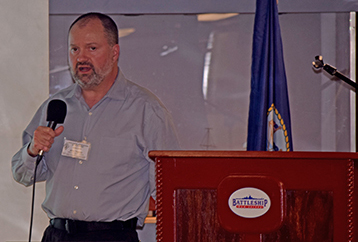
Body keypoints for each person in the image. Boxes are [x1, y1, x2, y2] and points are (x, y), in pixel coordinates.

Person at [12, 12, 179, 242]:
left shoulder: (146, 111)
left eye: (91, 48)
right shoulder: (55, 107)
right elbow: (21, 175)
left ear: (114, 52)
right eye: (74, 49)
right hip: (57, 235)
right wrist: (32, 150)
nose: (81, 58)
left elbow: (168, 190)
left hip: (112, 236)